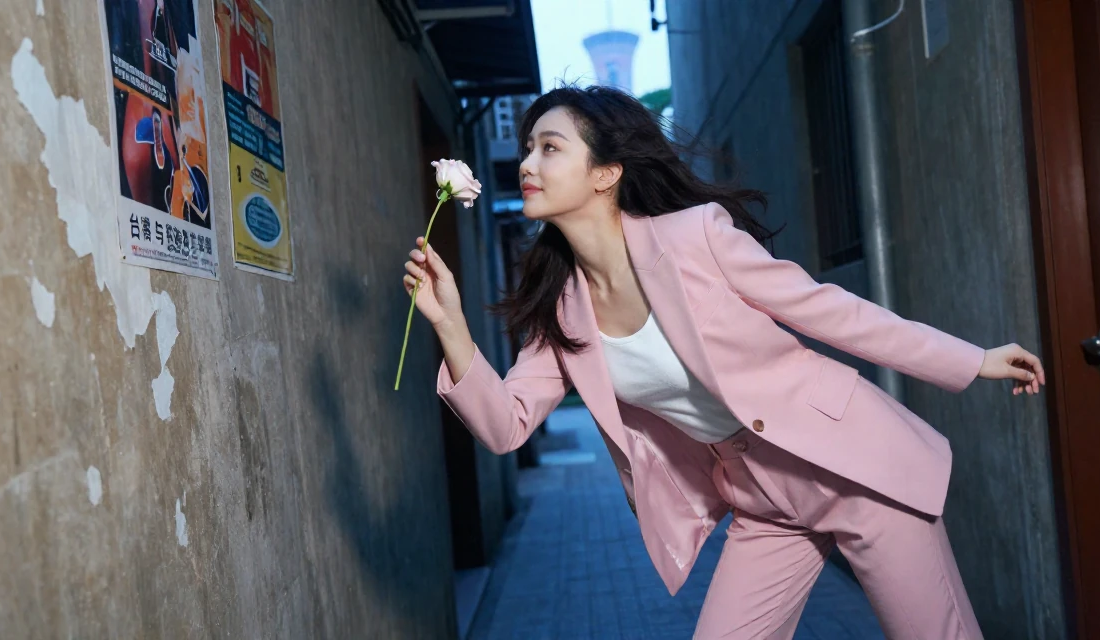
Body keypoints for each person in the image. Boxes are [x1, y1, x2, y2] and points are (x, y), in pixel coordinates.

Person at [403, 85, 1044, 639]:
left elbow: (832, 312)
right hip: (760, 503)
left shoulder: (696, 237)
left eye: (550, 146)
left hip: (854, 468)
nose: (527, 163)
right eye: (527, 149)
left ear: (606, 173)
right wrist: (449, 324)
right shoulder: (560, 312)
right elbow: (504, 426)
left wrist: (972, 360)